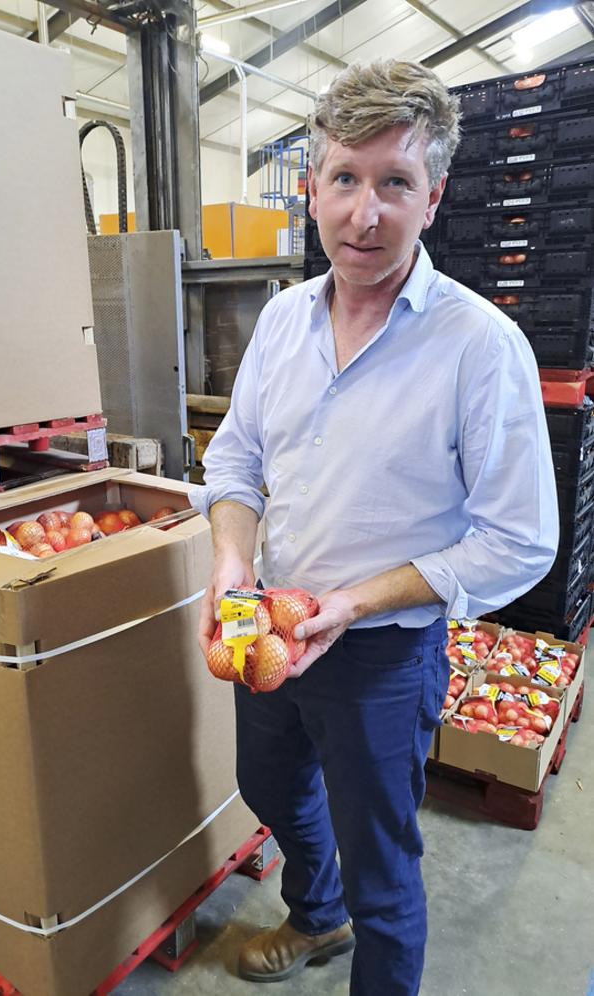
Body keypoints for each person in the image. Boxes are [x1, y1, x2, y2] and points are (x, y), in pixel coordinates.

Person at [190, 58, 558, 996]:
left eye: (394, 182)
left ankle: (362, 935)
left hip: (382, 657)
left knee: (383, 869)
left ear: (432, 198)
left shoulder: (479, 347)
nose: (364, 214)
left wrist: (354, 603)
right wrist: (231, 559)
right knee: (268, 788)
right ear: (310, 189)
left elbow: (518, 539)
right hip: (268, 625)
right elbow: (234, 462)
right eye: (345, 179)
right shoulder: (281, 323)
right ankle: (318, 915)